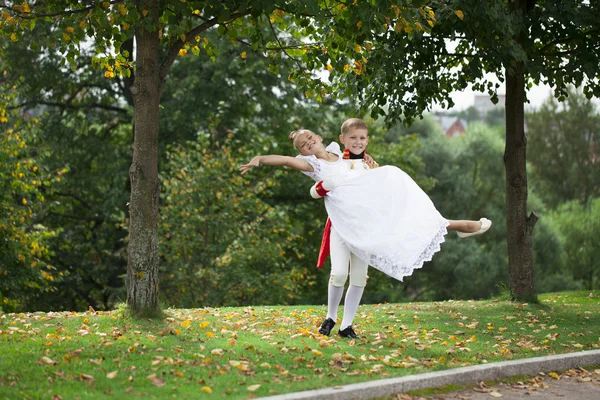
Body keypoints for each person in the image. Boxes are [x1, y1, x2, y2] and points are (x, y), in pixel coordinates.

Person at [239, 120, 491, 336]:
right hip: (341, 225)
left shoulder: (345, 155)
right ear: (303, 152)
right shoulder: (313, 165)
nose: (309, 144)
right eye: (304, 145)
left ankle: (347, 325)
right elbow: (284, 160)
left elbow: (369, 182)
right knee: (338, 274)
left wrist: (372, 165)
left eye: (310, 139)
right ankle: (330, 317)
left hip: (363, 227)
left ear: (319, 137)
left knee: (359, 277)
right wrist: (260, 159)